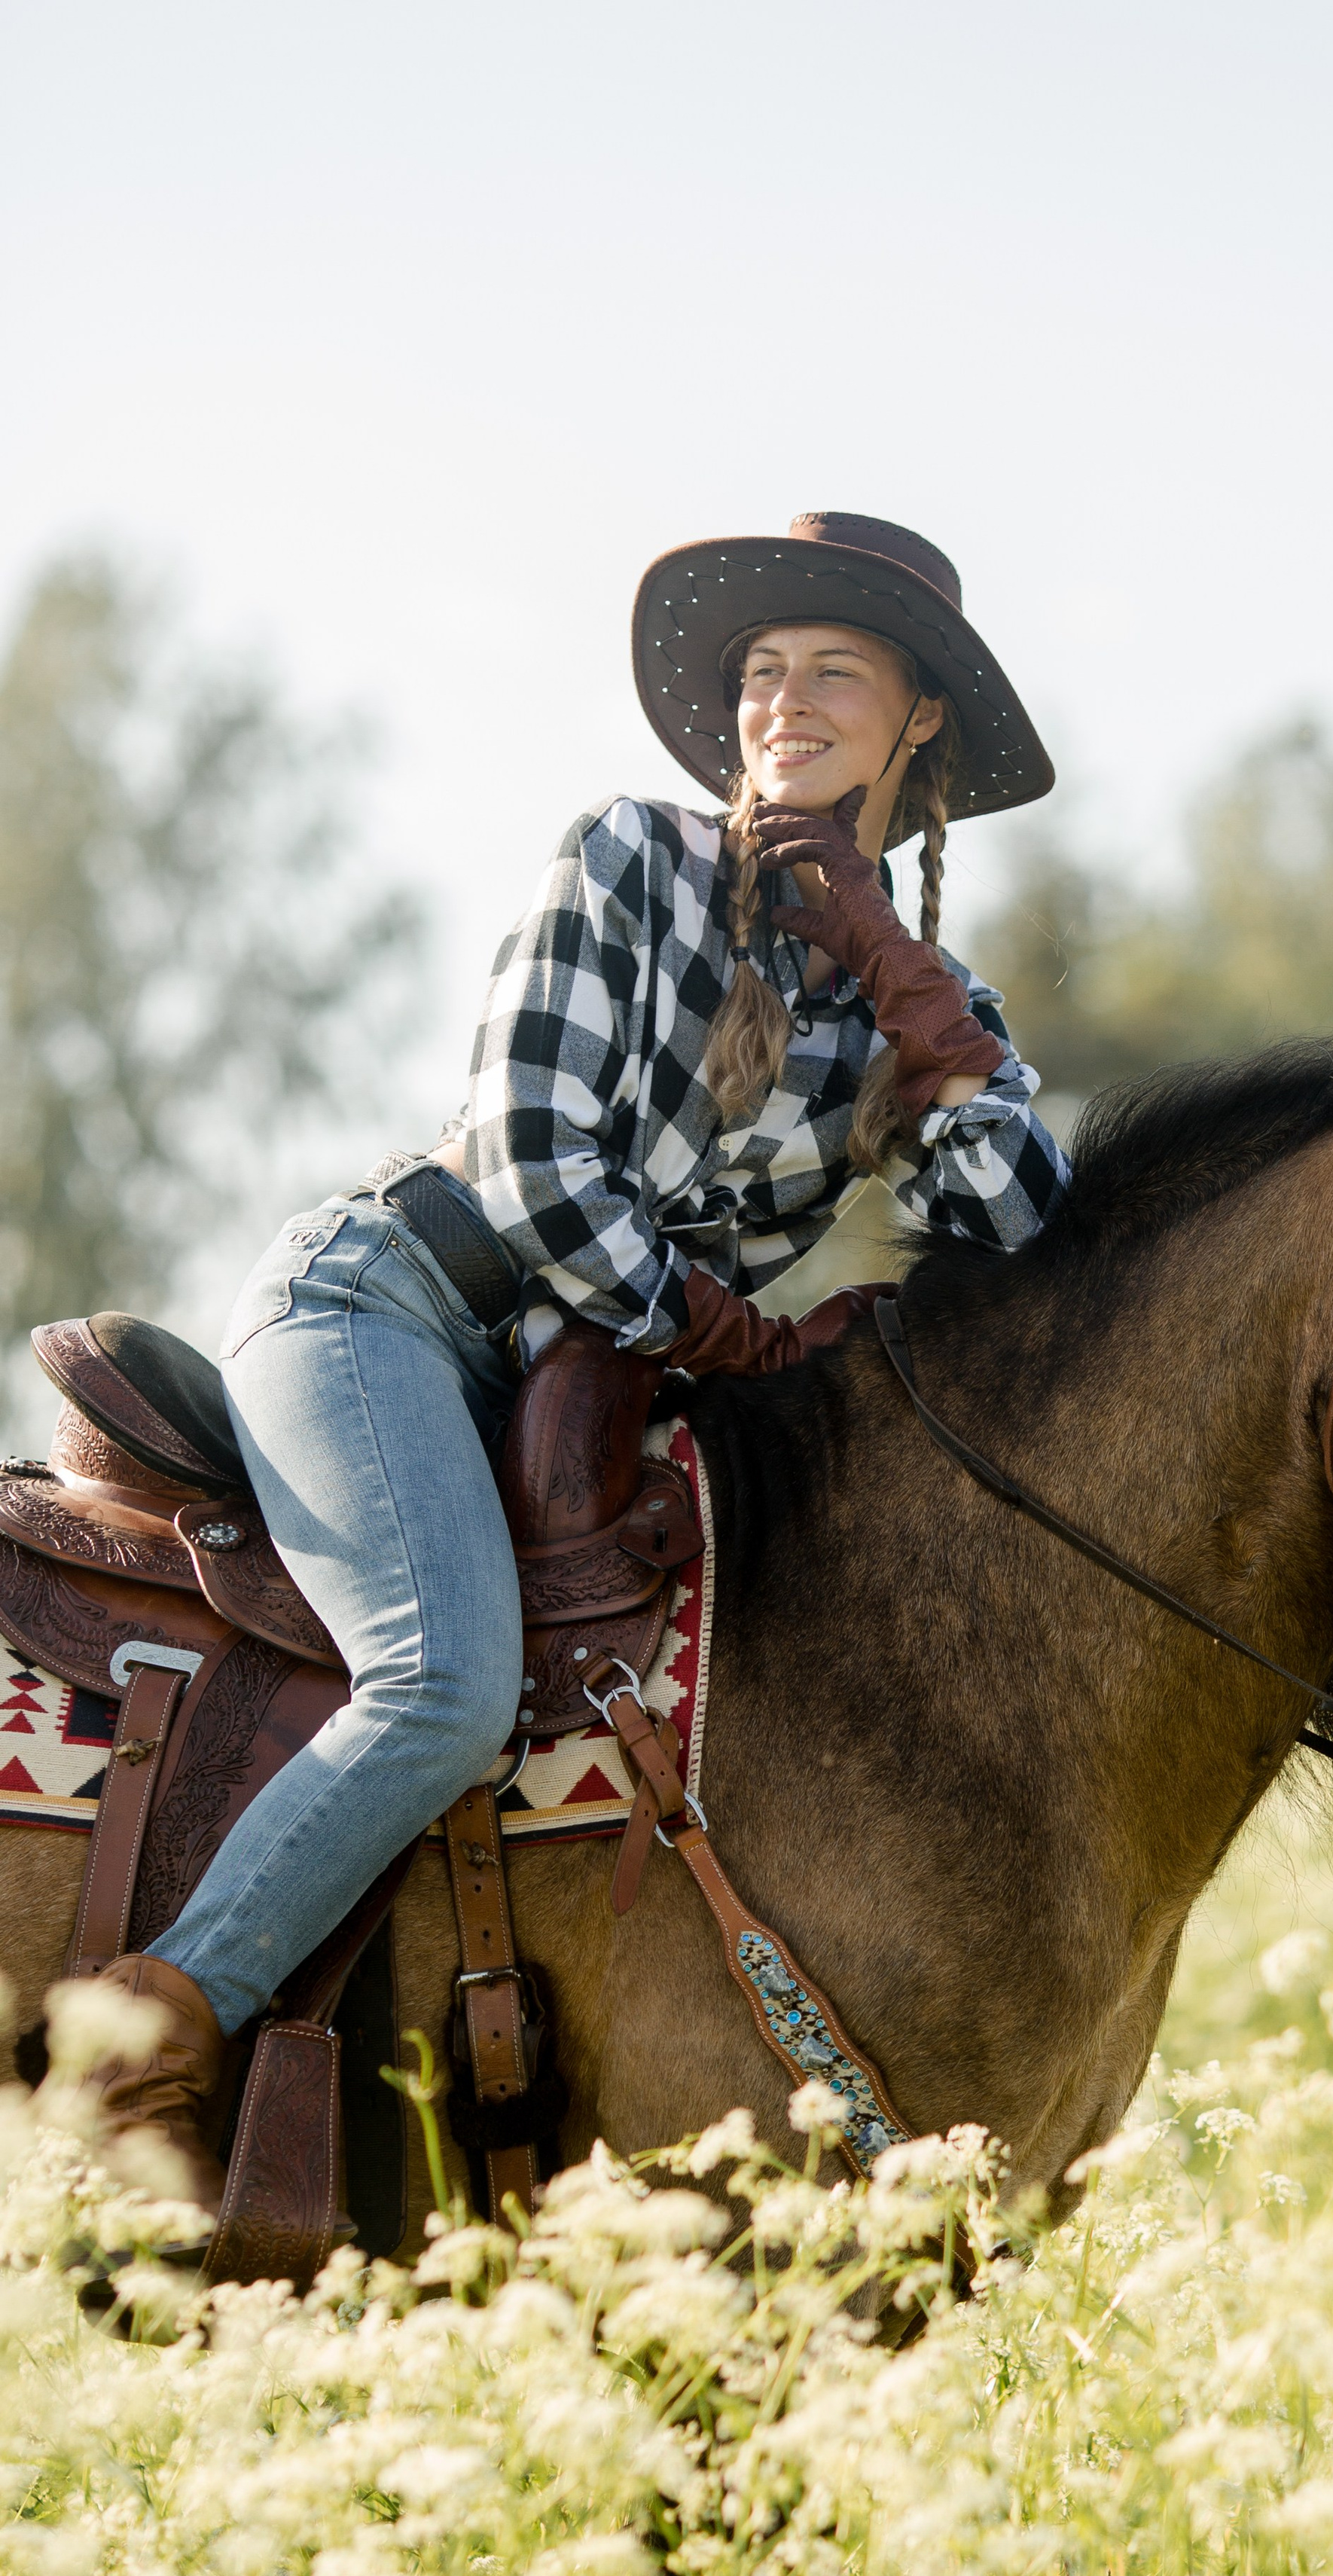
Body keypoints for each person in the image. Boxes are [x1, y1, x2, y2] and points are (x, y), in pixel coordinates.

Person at [80, 512, 1070, 2205]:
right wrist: (722, 1329)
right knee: (443, 1683)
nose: (785, 700)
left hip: (593, 1387)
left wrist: (902, 977)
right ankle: (151, 2033)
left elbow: (1014, 1219)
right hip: (390, 1308)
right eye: (763, 671)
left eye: (835, 670)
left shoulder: (916, 997)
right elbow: (527, 1156)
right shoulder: (628, 852)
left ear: (916, 724)